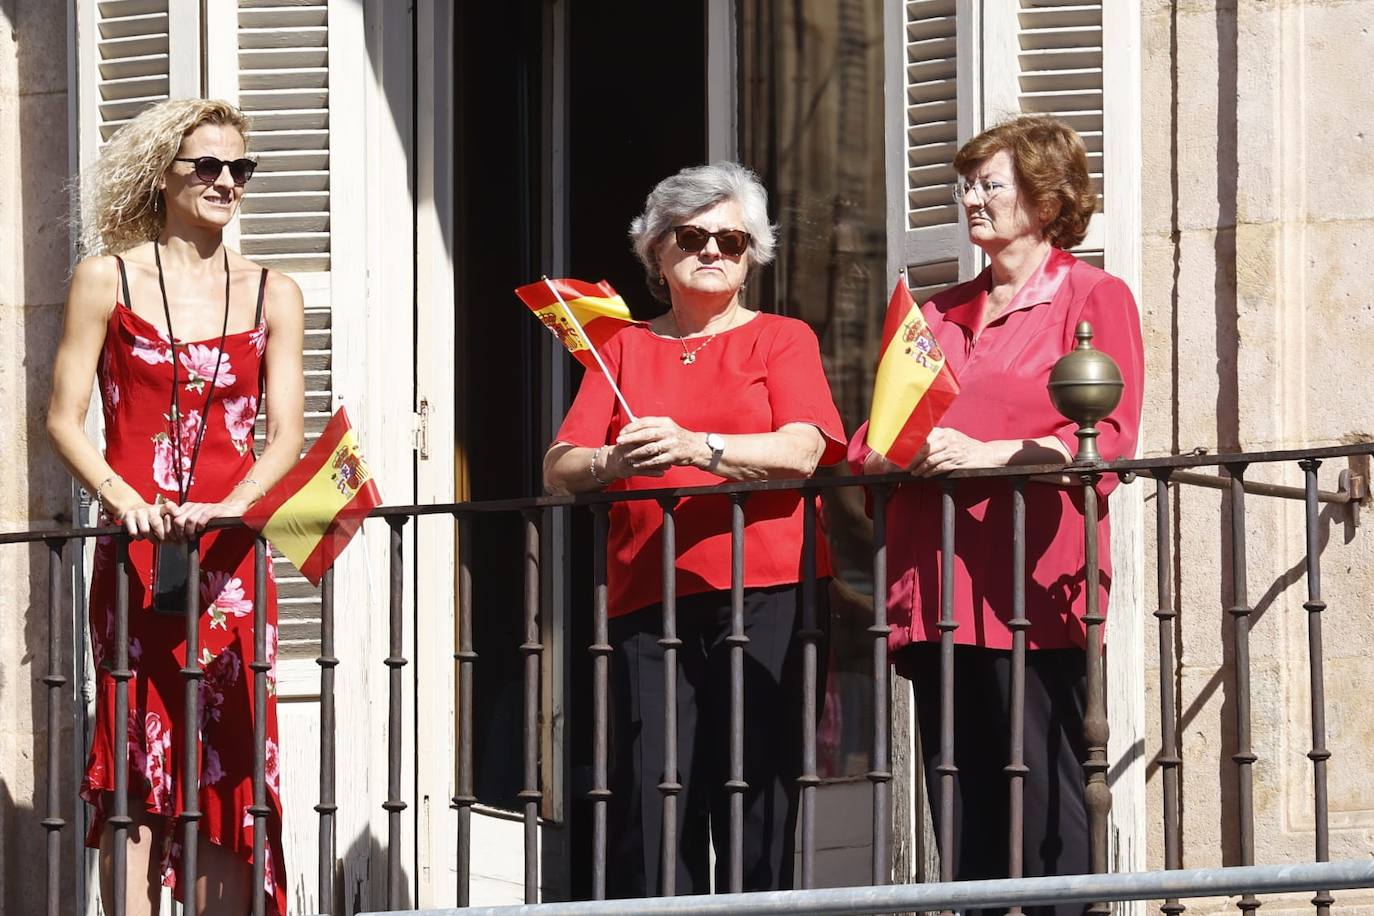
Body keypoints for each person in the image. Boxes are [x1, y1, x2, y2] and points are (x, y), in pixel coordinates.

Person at [848, 115, 1144, 912]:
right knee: (964, 812)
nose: (971, 200)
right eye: (966, 186)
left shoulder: (1093, 296)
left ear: (1045, 201)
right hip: (937, 584)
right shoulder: (935, 313)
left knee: (1048, 807)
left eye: (990, 185)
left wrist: (990, 455)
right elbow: (869, 438)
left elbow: (1107, 443)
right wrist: (889, 452)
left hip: (1029, 588)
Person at [544, 162, 846, 896]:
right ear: (657, 249)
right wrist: (615, 459)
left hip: (771, 586)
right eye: (693, 236)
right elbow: (560, 466)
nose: (713, 251)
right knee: (655, 793)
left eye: (732, 241)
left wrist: (697, 446)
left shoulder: (782, 339)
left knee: (755, 784)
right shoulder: (621, 349)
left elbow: (805, 449)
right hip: (650, 590)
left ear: (752, 256)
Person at [47, 99, 304, 915]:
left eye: (240, 169)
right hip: (137, 553)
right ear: (163, 175)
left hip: (230, 559)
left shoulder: (274, 292)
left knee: (229, 756)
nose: (227, 181)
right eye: (207, 166)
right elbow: (61, 417)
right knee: (134, 750)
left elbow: (285, 438)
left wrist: (227, 508)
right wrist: (127, 502)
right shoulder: (106, 277)